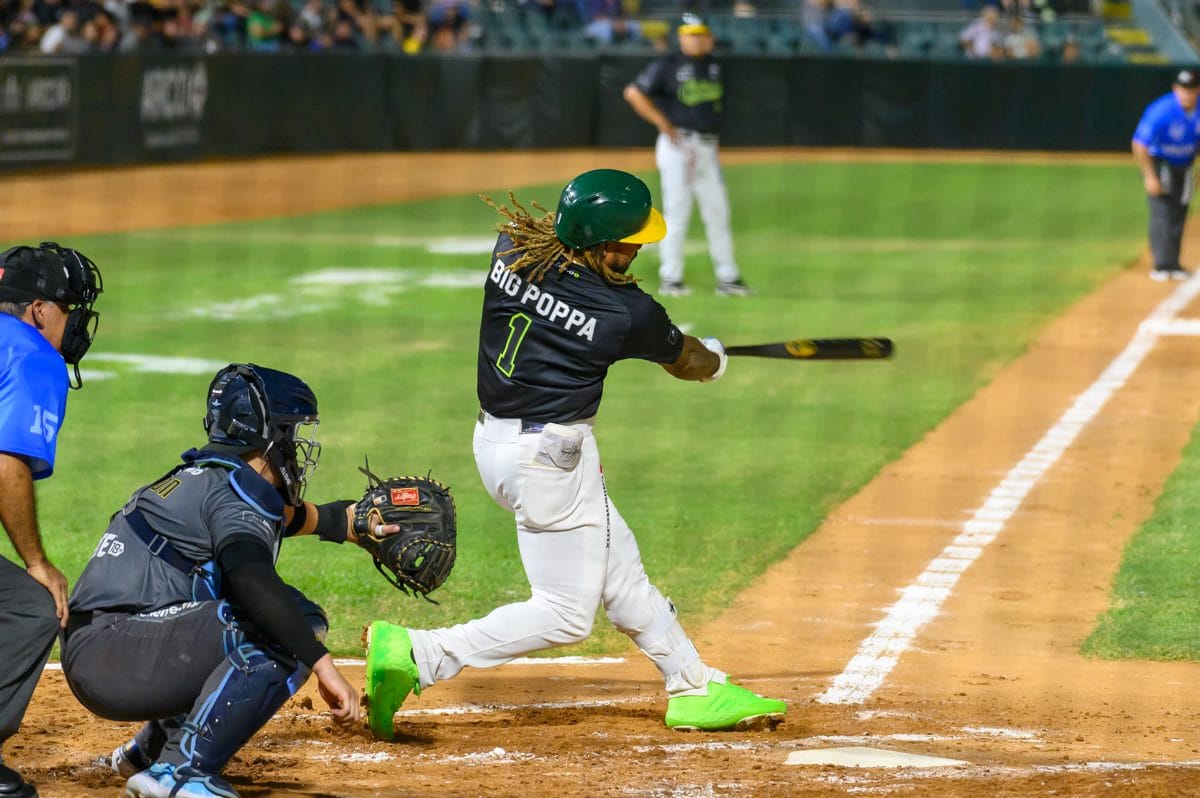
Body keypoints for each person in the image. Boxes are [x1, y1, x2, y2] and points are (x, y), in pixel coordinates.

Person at [362, 169, 787, 741]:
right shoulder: (626, 315)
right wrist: (715, 357)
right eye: (631, 241)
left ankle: (692, 685)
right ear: (605, 245)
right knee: (565, 614)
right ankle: (419, 651)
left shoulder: (512, 247)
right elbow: (686, 360)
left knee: (620, 570)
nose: (638, 249)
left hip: (494, 444)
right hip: (550, 461)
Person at [60, 363, 381, 798]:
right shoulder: (234, 492)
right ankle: (179, 773)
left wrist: (341, 522)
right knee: (286, 621)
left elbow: (270, 524)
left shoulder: (207, 479)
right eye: (290, 433)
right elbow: (249, 575)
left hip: (106, 649)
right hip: (117, 653)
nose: (296, 448)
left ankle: (149, 752)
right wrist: (323, 665)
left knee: (245, 609)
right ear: (266, 437)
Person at [0, 242, 103, 798]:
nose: (76, 326)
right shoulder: (32, 354)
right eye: (70, 311)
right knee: (29, 607)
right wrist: (36, 562)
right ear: (40, 310)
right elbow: (6, 461)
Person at [623, 13, 752, 297]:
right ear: (681, 37)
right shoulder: (668, 65)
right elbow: (633, 93)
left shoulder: (716, 66)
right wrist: (662, 122)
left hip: (706, 148)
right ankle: (671, 279)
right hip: (678, 146)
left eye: (701, 34)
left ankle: (728, 278)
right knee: (678, 211)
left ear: (710, 37)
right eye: (690, 34)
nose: (696, 39)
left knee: (718, 212)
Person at [1132, 68, 1200, 281]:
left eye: (1191, 90)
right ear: (1175, 89)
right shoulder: (1161, 110)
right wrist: (1150, 176)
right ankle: (1161, 264)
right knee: (1162, 211)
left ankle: (1173, 263)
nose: (1187, 94)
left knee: (1180, 211)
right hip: (1160, 164)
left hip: (1185, 165)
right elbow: (1139, 144)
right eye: (1183, 89)